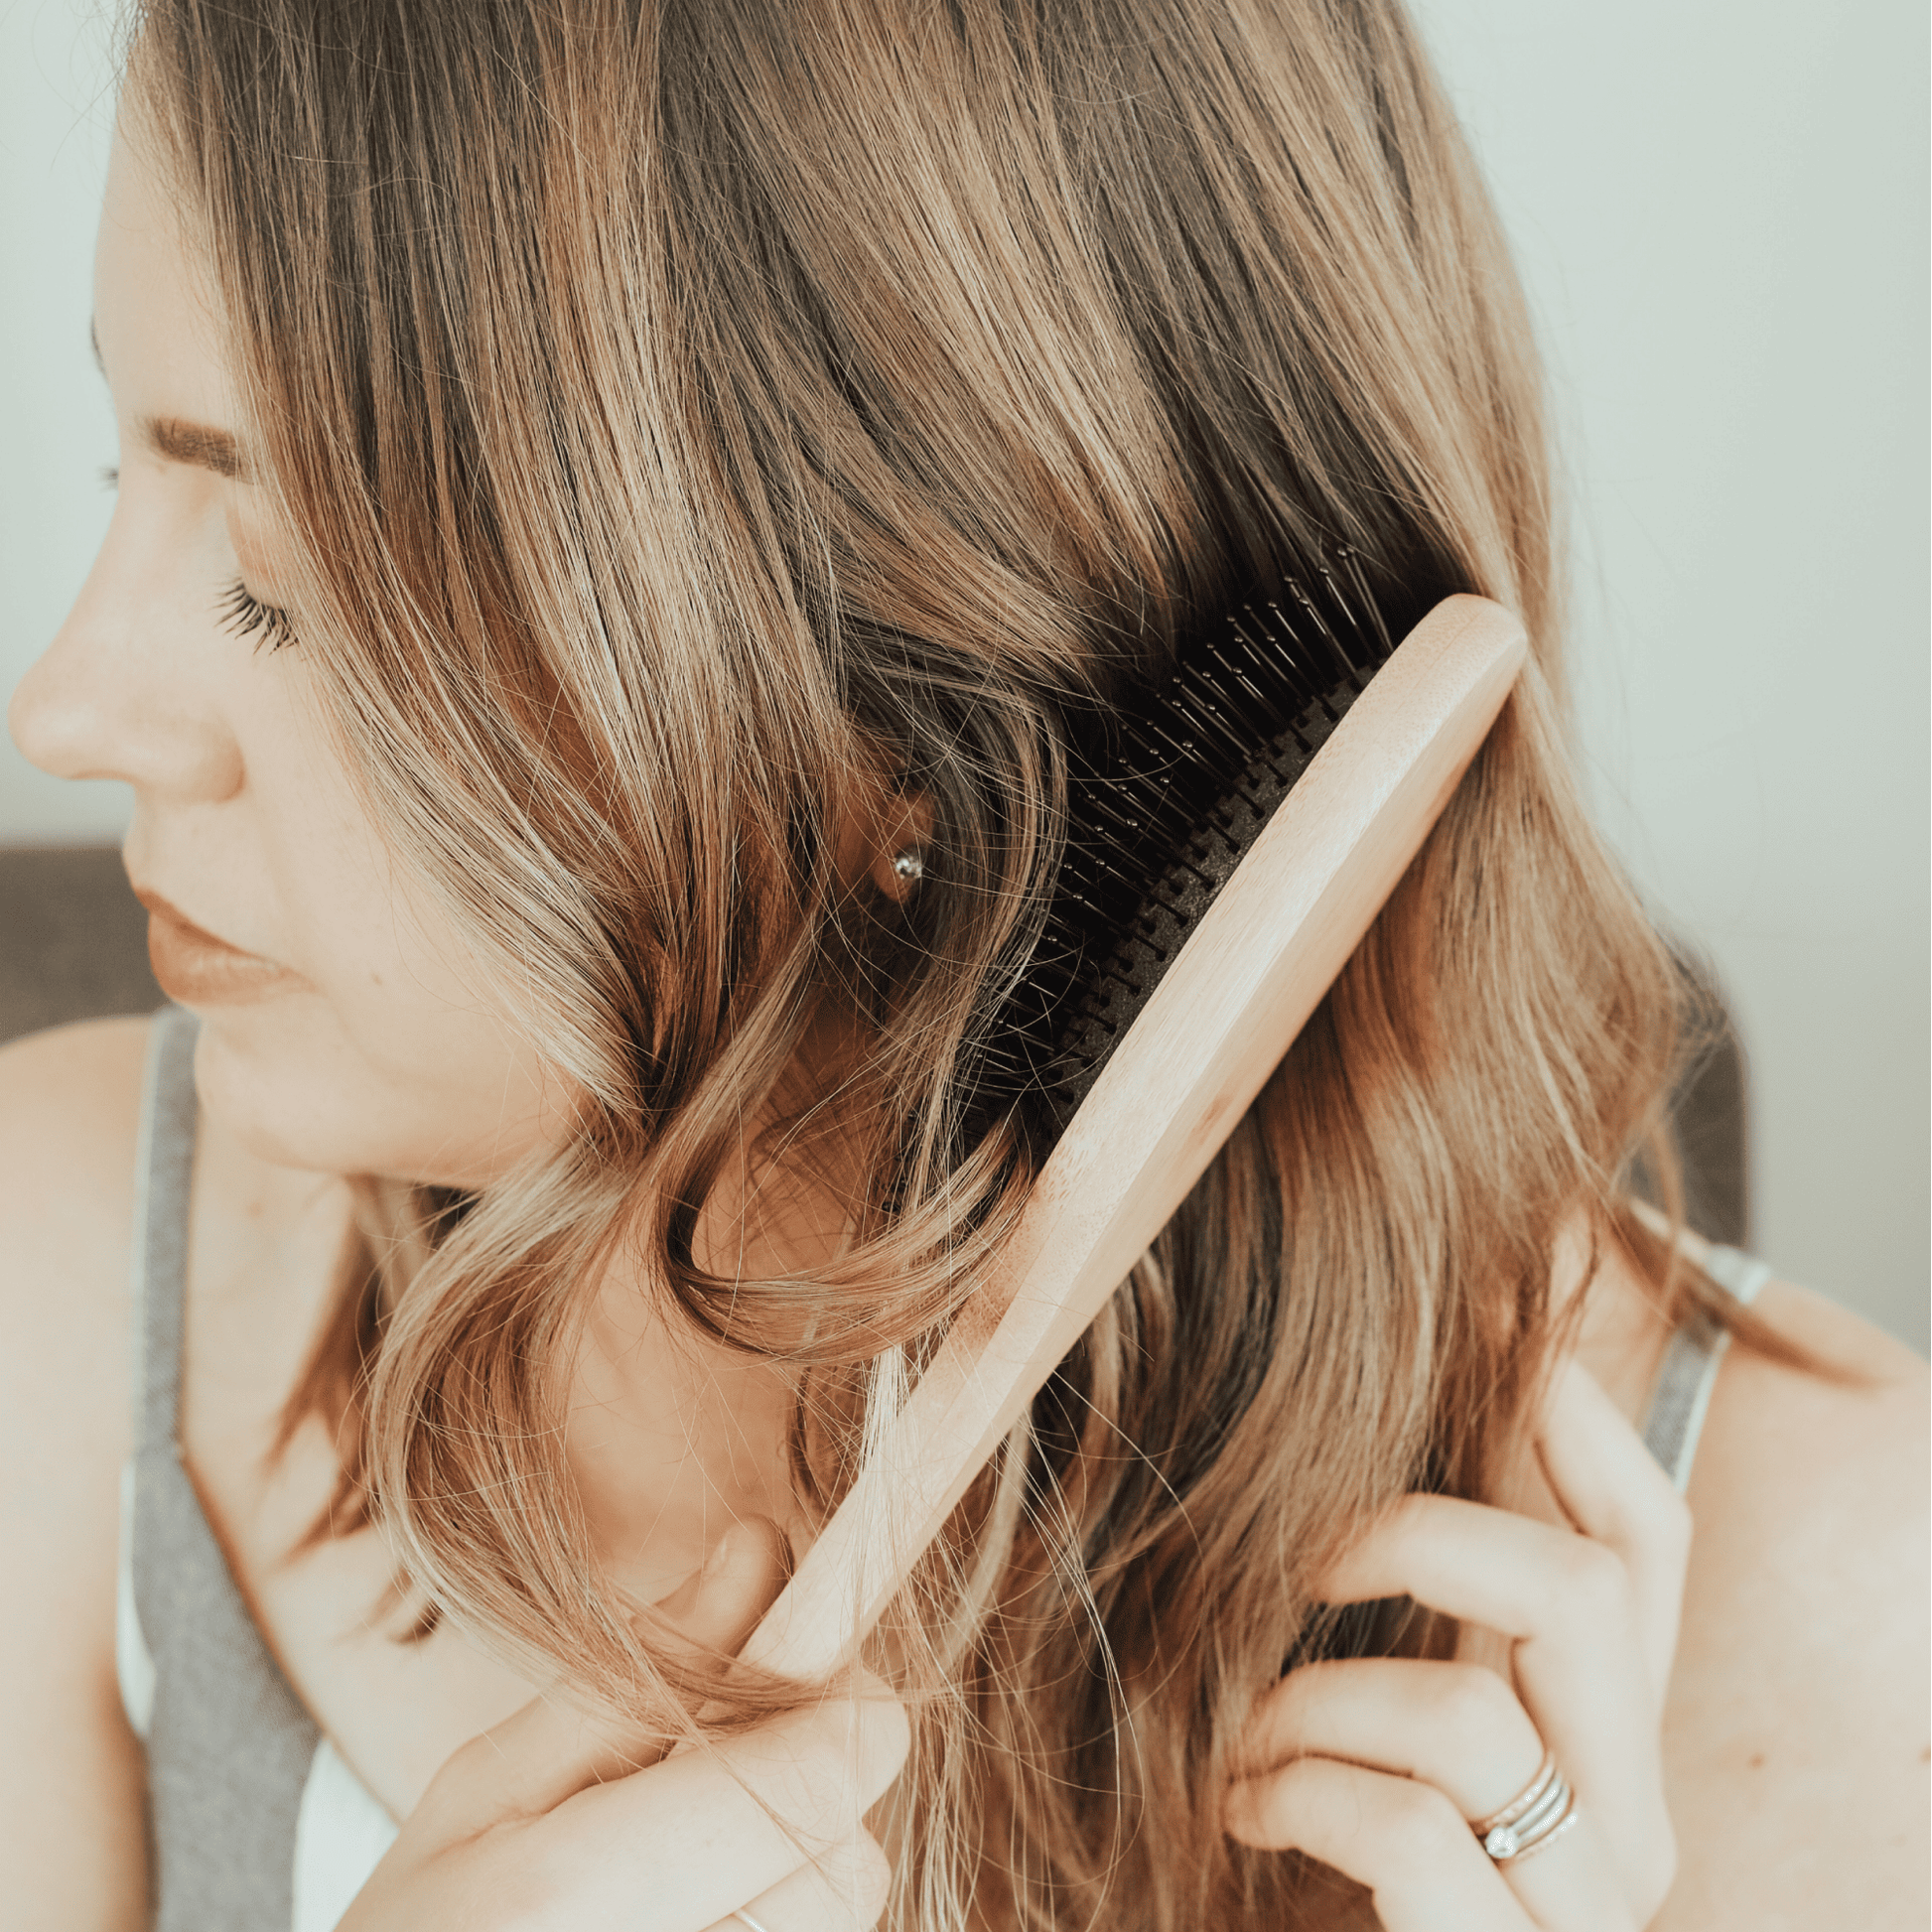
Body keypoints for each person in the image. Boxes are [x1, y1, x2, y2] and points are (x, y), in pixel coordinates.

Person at [3, 0, 1924, 1926]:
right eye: (122, 481)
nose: (68, 705)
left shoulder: (1825, 1595)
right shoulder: (65, 1260)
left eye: (273, 569)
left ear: (915, 707)